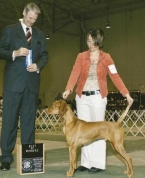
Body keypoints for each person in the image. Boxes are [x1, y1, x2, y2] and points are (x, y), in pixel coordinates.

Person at [62, 28, 133, 173]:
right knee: (84, 132)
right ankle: (86, 162)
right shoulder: (81, 56)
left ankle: (98, 164)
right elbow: (74, 73)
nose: (90, 44)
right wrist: (68, 89)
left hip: (98, 97)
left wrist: (126, 93)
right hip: (82, 97)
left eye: (93, 42)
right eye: (88, 41)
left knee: (100, 132)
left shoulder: (107, 58)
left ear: (99, 42)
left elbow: (115, 76)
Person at [0, 2, 48, 171]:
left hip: (31, 84)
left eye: (35, 19)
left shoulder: (39, 34)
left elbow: (45, 55)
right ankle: (6, 158)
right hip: (13, 84)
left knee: (28, 122)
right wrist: (14, 53)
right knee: (9, 121)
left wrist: (38, 66)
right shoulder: (10, 30)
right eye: (30, 17)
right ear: (24, 12)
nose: (32, 21)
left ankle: (29, 158)